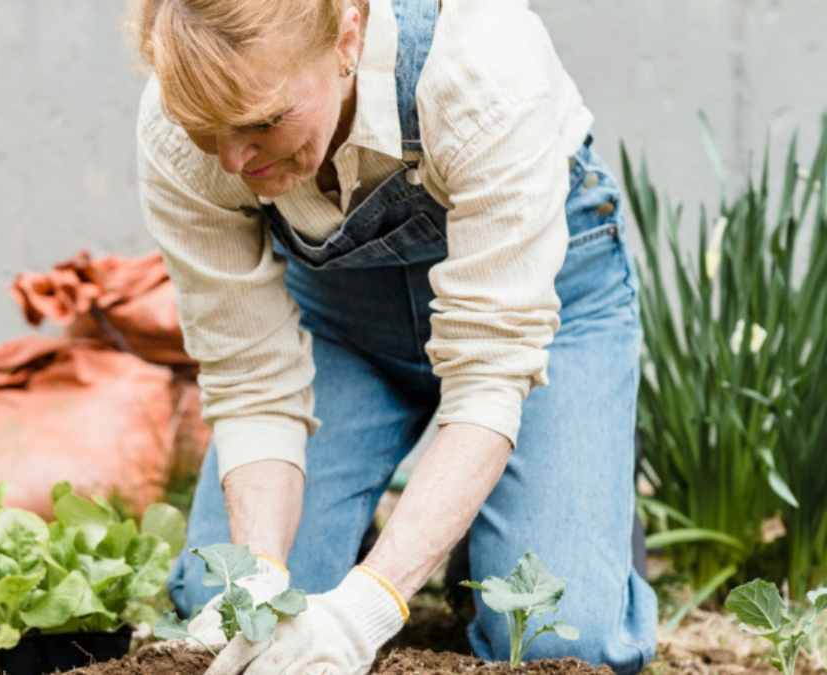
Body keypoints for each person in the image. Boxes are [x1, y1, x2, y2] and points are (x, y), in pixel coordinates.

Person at [126, 0, 658, 672]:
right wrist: (260, 580)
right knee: (223, 605)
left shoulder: (481, 67)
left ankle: (537, 495)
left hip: (543, 316)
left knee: (559, 635)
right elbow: (251, 383)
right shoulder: (181, 125)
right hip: (345, 325)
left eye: (263, 121)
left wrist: (365, 612)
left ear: (347, 36)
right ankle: (400, 518)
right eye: (208, 129)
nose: (232, 158)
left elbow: (490, 377)